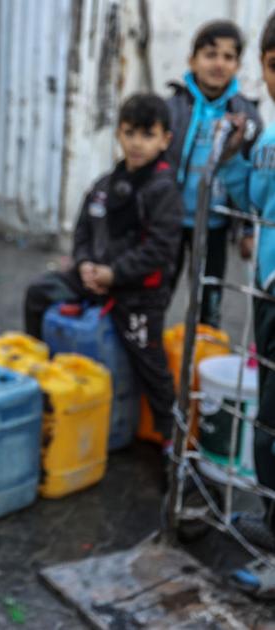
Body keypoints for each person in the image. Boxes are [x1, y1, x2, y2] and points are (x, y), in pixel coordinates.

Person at [25, 93, 183, 460]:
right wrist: (83, 265)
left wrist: (114, 274)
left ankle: (172, 444)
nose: (137, 143)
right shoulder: (104, 184)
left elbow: (160, 249)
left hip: (138, 293)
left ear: (165, 140)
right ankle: (43, 385)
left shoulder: (163, 191)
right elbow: (82, 231)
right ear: (118, 134)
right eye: (129, 133)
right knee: (39, 293)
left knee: (150, 359)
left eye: (147, 134)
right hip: (92, 276)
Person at [217, 12, 275, 597]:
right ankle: (273, 519)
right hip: (268, 289)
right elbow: (249, 198)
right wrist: (235, 154)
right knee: (267, 419)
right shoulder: (269, 141)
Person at [166, 20, 262, 328]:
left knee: (209, 297)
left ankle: (203, 357)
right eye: (210, 54)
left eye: (228, 56)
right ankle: (151, 358)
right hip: (170, 220)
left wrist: (247, 231)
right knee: (158, 290)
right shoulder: (172, 109)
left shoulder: (246, 116)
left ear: (237, 65)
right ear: (192, 60)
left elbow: (252, 178)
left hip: (215, 224)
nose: (219, 63)